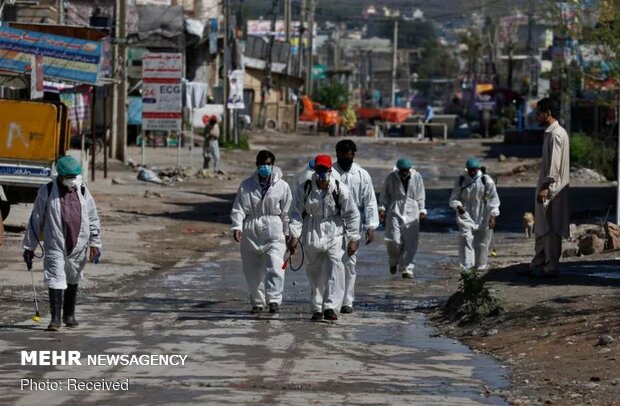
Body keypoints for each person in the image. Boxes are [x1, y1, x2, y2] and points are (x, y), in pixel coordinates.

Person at [23, 156, 102, 331]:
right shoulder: (47, 190)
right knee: (55, 277)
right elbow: (36, 219)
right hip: (55, 243)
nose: (72, 180)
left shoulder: (82, 190)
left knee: (73, 276)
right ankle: (55, 318)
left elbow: (93, 217)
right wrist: (29, 247)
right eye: (69, 176)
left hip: (78, 243)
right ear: (60, 175)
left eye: (75, 176)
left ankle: (69, 314)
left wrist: (95, 243)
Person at [289, 154, 360, 321]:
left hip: (334, 230)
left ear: (330, 170)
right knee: (315, 270)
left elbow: (352, 214)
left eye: (324, 169)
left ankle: (330, 307)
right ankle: (317, 307)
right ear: (314, 170)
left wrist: (354, 238)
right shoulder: (305, 188)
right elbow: (295, 213)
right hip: (312, 230)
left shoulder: (339, 189)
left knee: (335, 266)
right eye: (318, 169)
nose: (321, 173)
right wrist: (294, 235)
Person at [230, 150, 292, 314]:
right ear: (257, 165)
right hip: (251, 227)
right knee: (251, 268)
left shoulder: (282, 186)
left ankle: (274, 300)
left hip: (274, 228)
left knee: (275, 265)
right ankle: (257, 302)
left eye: (268, 164)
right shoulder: (247, 185)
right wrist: (237, 226)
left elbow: (287, 212)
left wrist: (289, 233)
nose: (265, 167)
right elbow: (239, 208)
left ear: (273, 165)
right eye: (262, 164)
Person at [332, 140, 379, 314]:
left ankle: (347, 301)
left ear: (353, 155)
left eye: (349, 155)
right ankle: (331, 299)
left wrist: (370, 226)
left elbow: (370, 202)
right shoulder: (330, 172)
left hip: (353, 221)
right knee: (332, 260)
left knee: (350, 262)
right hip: (333, 220)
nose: (345, 158)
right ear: (337, 155)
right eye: (342, 155)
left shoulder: (362, 175)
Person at [528, 98, 570, 277]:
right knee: (543, 226)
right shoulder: (552, 133)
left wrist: (545, 186)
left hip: (552, 189)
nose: (536, 116)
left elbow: (554, 164)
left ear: (548, 113)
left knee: (549, 229)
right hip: (550, 187)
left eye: (539, 113)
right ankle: (539, 262)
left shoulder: (556, 134)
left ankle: (550, 266)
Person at [449, 157, 500, 271]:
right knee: (466, 239)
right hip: (465, 215)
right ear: (467, 169)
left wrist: (493, 216)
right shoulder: (461, 180)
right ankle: (467, 267)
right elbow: (454, 198)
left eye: (475, 170)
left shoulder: (486, 180)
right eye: (471, 169)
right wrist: (458, 206)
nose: (473, 172)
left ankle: (480, 266)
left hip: (483, 214)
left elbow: (493, 199)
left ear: (478, 169)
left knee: (482, 242)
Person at [379, 158, 426, 278]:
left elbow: (421, 194)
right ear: (398, 169)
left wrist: (421, 210)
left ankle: (407, 269)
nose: (404, 172)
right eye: (402, 170)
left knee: (411, 242)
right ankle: (394, 260)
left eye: (406, 170)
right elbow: (385, 194)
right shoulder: (391, 177)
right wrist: (382, 208)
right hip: (395, 209)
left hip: (412, 209)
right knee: (393, 239)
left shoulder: (416, 177)